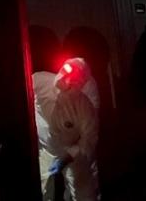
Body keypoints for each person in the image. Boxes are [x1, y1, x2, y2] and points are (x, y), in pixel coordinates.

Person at [32, 57, 101, 201]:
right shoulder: (40, 81)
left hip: (73, 156)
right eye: (67, 71)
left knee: (84, 194)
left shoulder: (85, 106)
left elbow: (89, 137)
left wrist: (69, 156)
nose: (68, 80)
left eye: (76, 80)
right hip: (47, 149)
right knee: (42, 189)